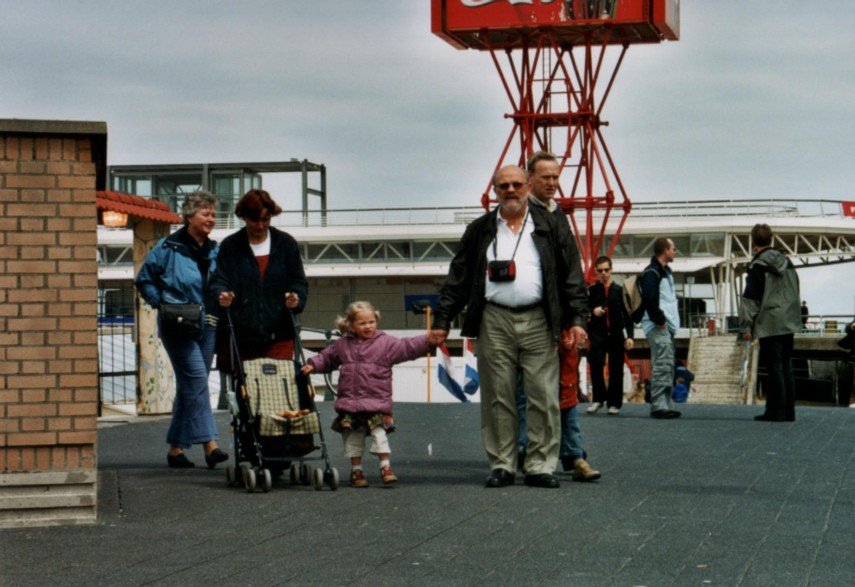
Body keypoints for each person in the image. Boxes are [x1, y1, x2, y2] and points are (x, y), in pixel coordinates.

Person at [431, 165, 588, 489]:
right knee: (497, 395)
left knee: (543, 394)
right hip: (494, 319)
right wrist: (443, 320)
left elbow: (571, 274)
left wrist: (576, 319)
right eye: (504, 186)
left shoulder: (551, 225)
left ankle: (540, 465)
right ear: (494, 190)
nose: (512, 190)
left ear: (528, 186)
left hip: (539, 319)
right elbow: (458, 277)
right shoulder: (480, 229)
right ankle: (502, 464)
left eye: (518, 184)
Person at [517, 151, 599, 481]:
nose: (553, 183)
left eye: (555, 177)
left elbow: (572, 271)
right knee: (527, 391)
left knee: (566, 387)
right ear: (530, 180)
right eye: (546, 177)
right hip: (533, 317)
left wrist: (578, 318)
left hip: (560, 319)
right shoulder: (521, 215)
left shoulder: (558, 215)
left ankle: (573, 454)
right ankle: (529, 452)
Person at [134, 191, 229, 469]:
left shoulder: (216, 250)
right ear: (189, 216)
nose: (212, 219)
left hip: (208, 325)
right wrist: (162, 303)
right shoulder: (168, 247)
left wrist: (224, 294)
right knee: (198, 379)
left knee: (190, 386)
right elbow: (145, 280)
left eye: (214, 214)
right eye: (206, 214)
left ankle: (176, 450)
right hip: (177, 325)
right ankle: (210, 445)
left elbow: (221, 282)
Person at [302, 301, 434, 487]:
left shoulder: (385, 343)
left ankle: (385, 467)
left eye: (371, 322)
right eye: (362, 323)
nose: (368, 326)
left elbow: (407, 347)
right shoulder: (342, 345)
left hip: (376, 403)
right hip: (351, 404)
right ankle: (357, 472)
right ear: (351, 325)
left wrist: (428, 341)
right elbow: (326, 357)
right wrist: (313, 365)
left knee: (380, 435)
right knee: (353, 440)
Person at [209, 189, 308, 368]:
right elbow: (219, 280)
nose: (260, 225)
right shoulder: (230, 246)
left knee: (278, 391)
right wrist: (221, 295)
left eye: (266, 219)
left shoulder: (286, 244)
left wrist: (296, 299)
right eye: (254, 220)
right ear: (244, 216)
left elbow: (299, 281)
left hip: (279, 336)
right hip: (241, 338)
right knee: (245, 392)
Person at [739, 223, 801, 422]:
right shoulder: (787, 262)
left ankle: (775, 411)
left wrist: (745, 327)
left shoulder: (757, 265)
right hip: (788, 319)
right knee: (785, 365)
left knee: (773, 366)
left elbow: (750, 300)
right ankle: (789, 411)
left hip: (769, 321)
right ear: (771, 239)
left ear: (753, 242)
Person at [586, 255, 634, 416]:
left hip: (615, 335)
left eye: (606, 270)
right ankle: (598, 399)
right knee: (596, 365)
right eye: (600, 271)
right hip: (597, 334)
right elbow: (584, 310)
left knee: (616, 369)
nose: (604, 273)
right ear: (596, 272)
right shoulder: (592, 291)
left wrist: (630, 336)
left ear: (611, 270)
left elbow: (627, 315)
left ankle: (614, 403)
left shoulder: (619, 291)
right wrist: (593, 311)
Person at [640, 237, 681, 419]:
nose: (675, 251)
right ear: (665, 250)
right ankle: (658, 406)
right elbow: (650, 299)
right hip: (658, 325)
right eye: (673, 248)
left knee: (666, 363)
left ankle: (664, 403)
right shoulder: (652, 272)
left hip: (665, 325)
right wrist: (660, 319)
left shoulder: (662, 271)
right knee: (663, 363)